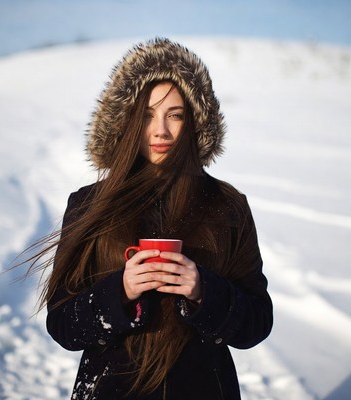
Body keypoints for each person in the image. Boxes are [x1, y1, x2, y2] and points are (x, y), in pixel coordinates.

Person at [42, 38, 273, 400]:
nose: (161, 131)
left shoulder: (228, 205)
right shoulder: (90, 203)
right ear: (127, 122)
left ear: (195, 121)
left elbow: (257, 323)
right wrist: (120, 292)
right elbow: (61, 325)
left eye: (175, 115)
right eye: (147, 115)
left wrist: (203, 292)